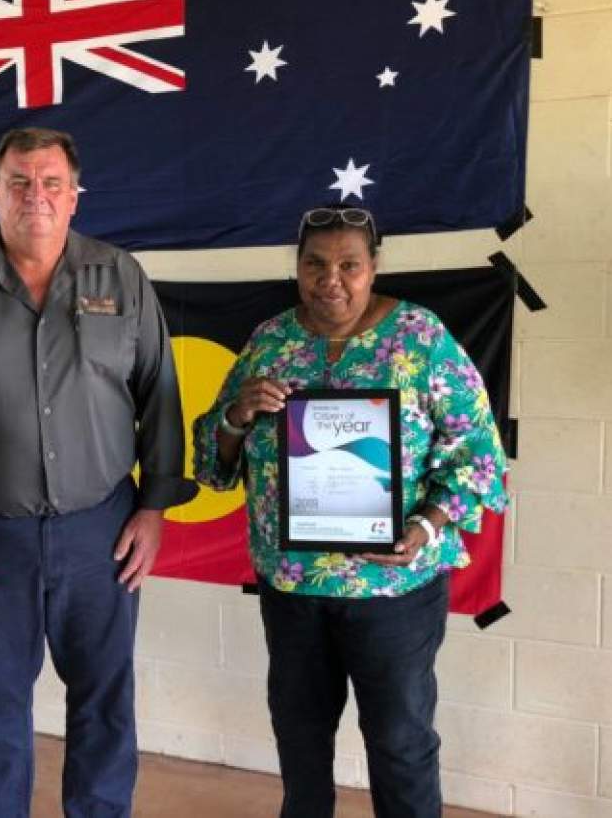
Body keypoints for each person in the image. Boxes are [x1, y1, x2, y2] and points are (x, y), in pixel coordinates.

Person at [0, 127, 195, 818]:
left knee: (104, 702)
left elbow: (161, 396)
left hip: (103, 534)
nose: (37, 196)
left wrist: (153, 510)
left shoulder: (119, 276)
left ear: (74, 196)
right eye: (21, 182)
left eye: (52, 182)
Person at [192, 206, 507, 818]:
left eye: (348, 265)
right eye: (314, 263)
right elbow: (213, 462)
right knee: (300, 738)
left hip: (393, 587)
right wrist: (236, 415)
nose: (329, 279)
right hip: (293, 587)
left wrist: (425, 526)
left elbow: (479, 457)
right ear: (296, 266)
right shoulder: (271, 341)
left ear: (374, 267)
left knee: (400, 741)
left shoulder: (419, 337)